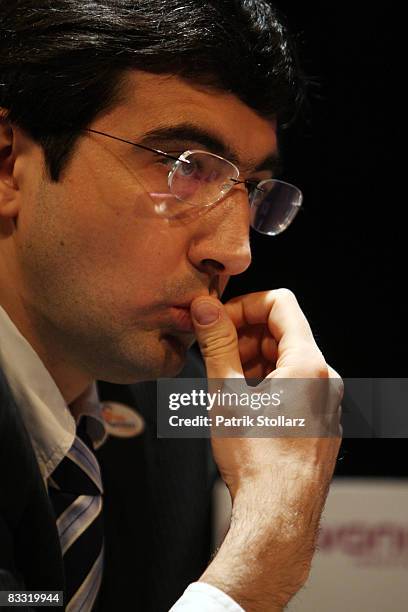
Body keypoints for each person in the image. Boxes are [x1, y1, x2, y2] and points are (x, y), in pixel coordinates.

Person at [0, 1, 343, 610]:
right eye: (185, 168)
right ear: (7, 168)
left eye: (251, 190)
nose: (236, 253)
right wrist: (265, 549)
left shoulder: (177, 432)